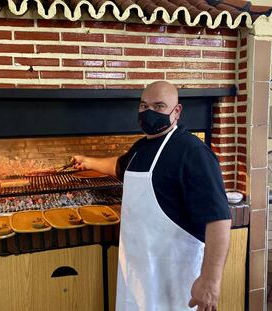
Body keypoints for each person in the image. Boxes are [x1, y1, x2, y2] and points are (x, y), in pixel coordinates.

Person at [73, 81, 232, 311]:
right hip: (137, 275)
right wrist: (88, 162)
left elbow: (219, 219)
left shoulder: (193, 152)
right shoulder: (140, 148)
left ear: (176, 111)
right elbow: (119, 166)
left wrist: (210, 281)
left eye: (159, 106)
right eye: (144, 106)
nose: (150, 113)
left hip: (175, 279)